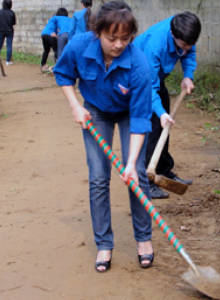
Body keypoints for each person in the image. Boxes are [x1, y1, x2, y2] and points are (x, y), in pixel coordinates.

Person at [53, 0, 154, 273]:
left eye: (125, 38)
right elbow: (62, 74)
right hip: (95, 111)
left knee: (138, 174)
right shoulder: (78, 46)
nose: (119, 44)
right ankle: (104, 243)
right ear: (97, 32)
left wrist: (131, 162)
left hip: (128, 113)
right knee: (99, 176)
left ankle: (143, 239)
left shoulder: (139, 66)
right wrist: (76, 106)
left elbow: (141, 119)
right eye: (112, 38)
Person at [133, 11, 201, 199]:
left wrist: (188, 75)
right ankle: (147, 179)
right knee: (154, 123)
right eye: (183, 45)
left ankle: (163, 169)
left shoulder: (185, 32)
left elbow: (189, 53)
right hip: (139, 77)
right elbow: (149, 87)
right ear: (173, 36)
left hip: (157, 77)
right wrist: (160, 113)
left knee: (165, 121)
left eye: (190, 44)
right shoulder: (155, 46)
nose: (187, 49)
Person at [0, 0, 16, 66]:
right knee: (9, 46)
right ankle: (7, 61)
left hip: (1, 31)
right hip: (10, 31)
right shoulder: (12, 13)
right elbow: (13, 23)